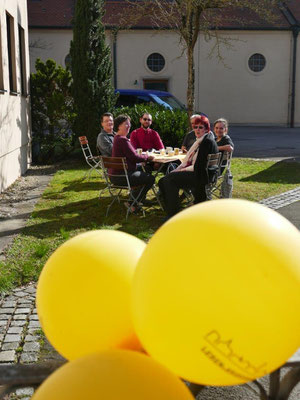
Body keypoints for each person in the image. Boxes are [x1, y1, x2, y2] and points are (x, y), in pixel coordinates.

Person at [159, 116, 218, 219]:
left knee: (169, 180)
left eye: (200, 127)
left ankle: (173, 213)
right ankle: (170, 208)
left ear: (206, 129)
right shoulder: (202, 140)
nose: (197, 129)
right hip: (201, 173)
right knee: (162, 180)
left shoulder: (206, 142)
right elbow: (195, 163)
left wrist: (181, 170)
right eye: (195, 127)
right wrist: (179, 170)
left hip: (200, 176)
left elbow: (198, 167)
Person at [110, 115, 155, 213]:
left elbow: (132, 156)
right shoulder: (123, 140)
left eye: (129, 124)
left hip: (116, 175)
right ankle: (133, 203)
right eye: (126, 124)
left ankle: (139, 199)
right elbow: (134, 157)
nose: (129, 125)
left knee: (146, 170)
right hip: (122, 176)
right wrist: (147, 157)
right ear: (119, 126)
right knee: (150, 178)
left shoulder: (117, 138)